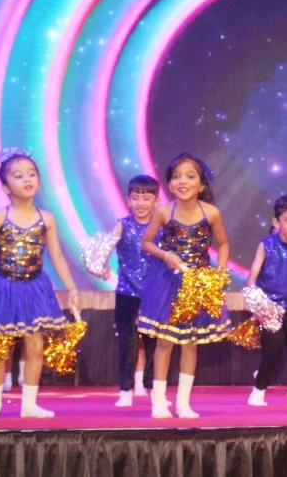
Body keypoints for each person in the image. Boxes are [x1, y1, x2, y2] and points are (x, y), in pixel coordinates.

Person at [0, 148, 80, 420]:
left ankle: (29, 403)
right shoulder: (0, 217)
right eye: (18, 175)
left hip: (32, 287)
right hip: (0, 285)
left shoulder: (46, 218)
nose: (27, 179)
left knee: (35, 344)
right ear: (6, 187)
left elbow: (58, 256)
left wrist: (72, 289)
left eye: (32, 174)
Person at [137, 153, 233, 419]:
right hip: (168, 283)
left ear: (201, 185)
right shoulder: (163, 212)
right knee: (165, 341)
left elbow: (224, 243)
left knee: (190, 343)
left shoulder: (211, 213)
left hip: (197, 285)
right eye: (177, 176)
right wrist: (166, 255)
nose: (183, 181)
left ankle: (183, 403)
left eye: (190, 176)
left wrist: (219, 275)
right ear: (169, 184)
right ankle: (158, 402)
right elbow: (146, 243)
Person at [246, 194, 287, 407]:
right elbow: (252, 277)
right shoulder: (266, 245)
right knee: (274, 348)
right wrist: (258, 305)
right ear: (276, 222)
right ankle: (258, 390)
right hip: (270, 306)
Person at [102, 175, 160, 408]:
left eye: (146, 198)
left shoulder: (160, 226)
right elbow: (106, 247)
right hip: (126, 292)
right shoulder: (122, 225)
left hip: (155, 293)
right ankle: (125, 390)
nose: (141, 203)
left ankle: (154, 389)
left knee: (155, 343)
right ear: (128, 200)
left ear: (156, 201)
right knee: (127, 344)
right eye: (136, 198)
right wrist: (102, 264)